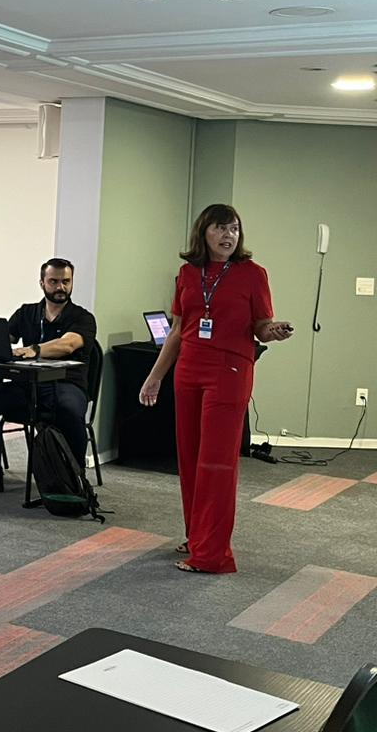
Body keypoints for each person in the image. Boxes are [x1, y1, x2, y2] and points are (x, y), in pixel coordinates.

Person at [139, 204, 291, 574]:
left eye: (234, 229)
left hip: (230, 370)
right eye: (220, 228)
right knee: (191, 458)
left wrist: (273, 332)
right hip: (189, 368)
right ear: (203, 233)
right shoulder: (188, 273)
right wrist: (155, 376)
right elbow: (178, 330)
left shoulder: (253, 274)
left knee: (217, 462)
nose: (228, 235)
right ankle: (198, 536)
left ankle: (212, 555)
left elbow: (261, 325)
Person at [0, 258, 97, 495]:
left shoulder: (82, 317)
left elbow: (68, 344)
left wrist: (34, 349)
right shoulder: (27, 313)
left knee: (69, 410)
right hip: (27, 385)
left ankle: (75, 481)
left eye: (66, 281)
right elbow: (3, 339)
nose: (60, 287)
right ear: (42, 283)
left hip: (66, 383)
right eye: (53, 281)